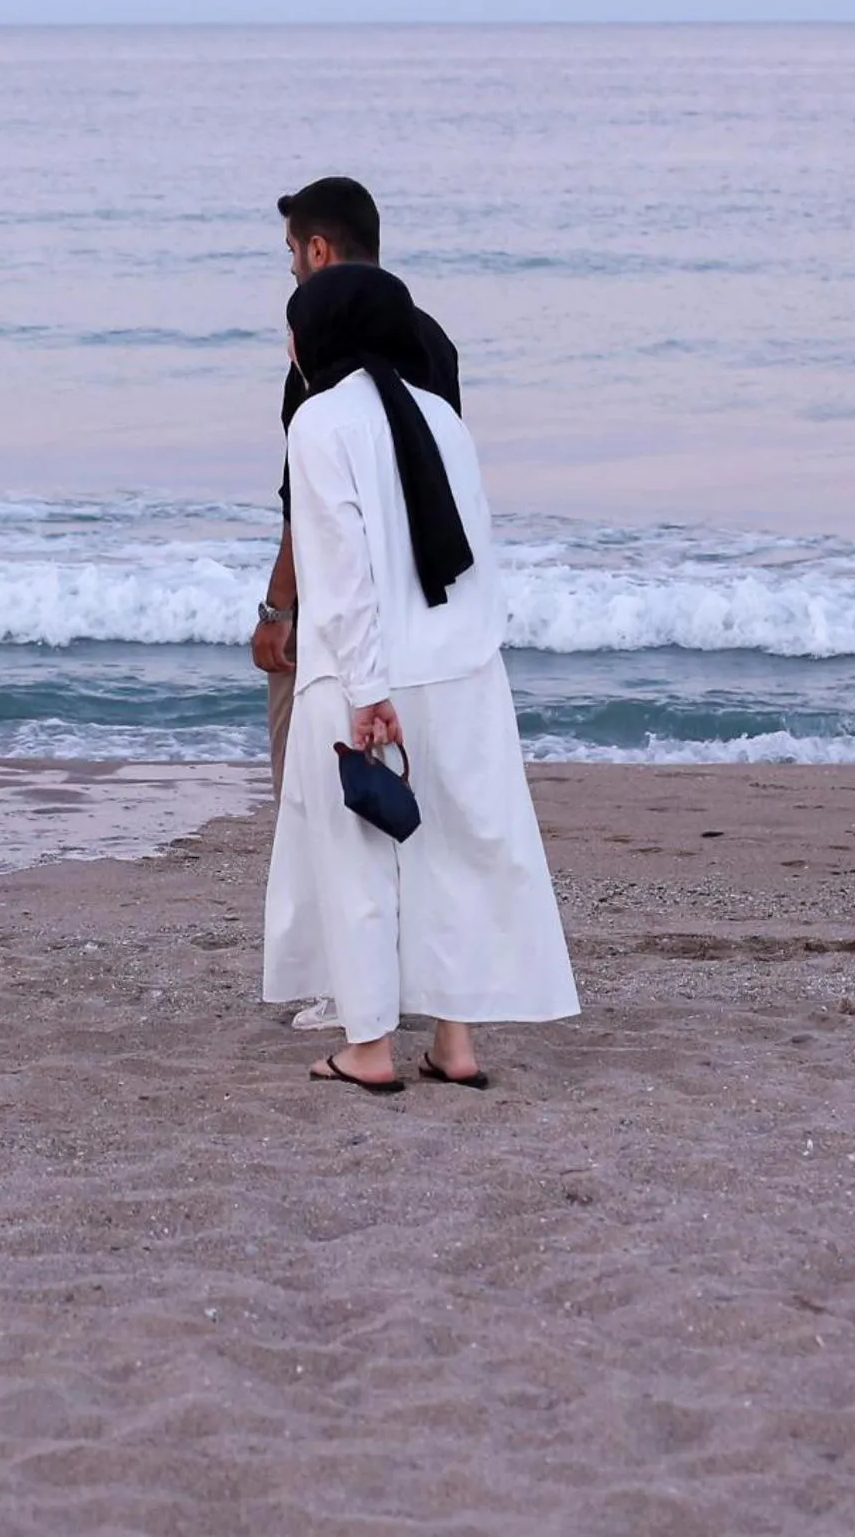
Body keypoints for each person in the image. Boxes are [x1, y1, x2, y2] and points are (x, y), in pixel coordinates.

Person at [262, 264, 577, 1090]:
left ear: (323, 329)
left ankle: (367, 1048)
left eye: (293, 324)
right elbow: (471, 555)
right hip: (463, 669)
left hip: (367, 674)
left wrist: (366, 691)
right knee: (451, 858)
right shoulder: (440, 414)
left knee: (357, 859)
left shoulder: (319, 419)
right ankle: (454, 1040)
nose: (289, 342)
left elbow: (343, 572)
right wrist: (472, 661)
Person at [251, 177, 460, 1034]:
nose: (290, 272)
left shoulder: (316, 349)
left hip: (345, 613)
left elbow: (315, 503)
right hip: (427, 607)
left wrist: (277, 608)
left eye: (291, 254)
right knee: (418, 799)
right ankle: (414, 979)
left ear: (318, 250)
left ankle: (351, 987)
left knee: (320, 797)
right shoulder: (432, 341)